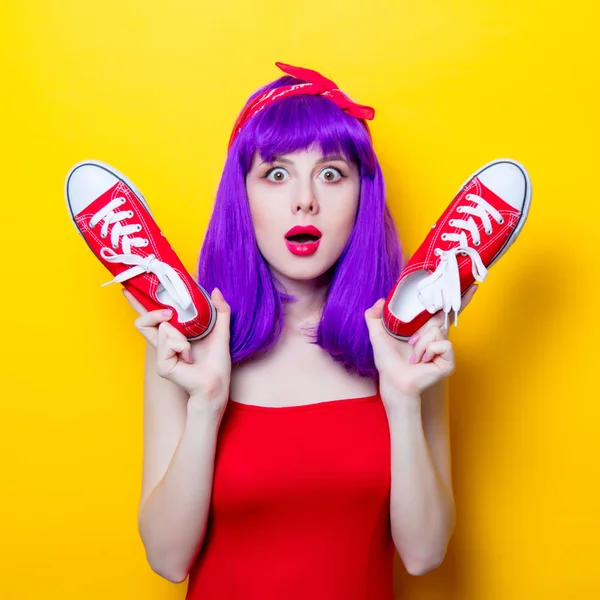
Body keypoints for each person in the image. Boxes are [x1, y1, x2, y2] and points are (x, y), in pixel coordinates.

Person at [124, 62, 477, 599]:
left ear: (363, 196)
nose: (305, 199)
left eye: (332, 173)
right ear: (242, 198)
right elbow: (168, 560)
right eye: (277, 173)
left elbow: (425, 554)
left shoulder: (408, 348)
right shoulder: (184, 347)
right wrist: (207, 404)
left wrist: (403, 400)